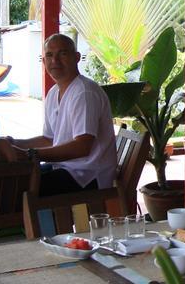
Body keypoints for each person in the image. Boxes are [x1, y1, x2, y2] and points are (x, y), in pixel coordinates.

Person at [10, 34, 117, 196]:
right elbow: (49, 139)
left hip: (88, 176)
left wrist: (30, 154)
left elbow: (82, 147)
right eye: (49, 55)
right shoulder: (53, 92)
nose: (55, 61)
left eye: (63, 54)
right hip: (66, 169)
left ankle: (42, 222)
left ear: (77, 57)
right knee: (16, 179)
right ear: (44, 62)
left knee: (19, 190)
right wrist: (14, 144)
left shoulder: (84, 92)